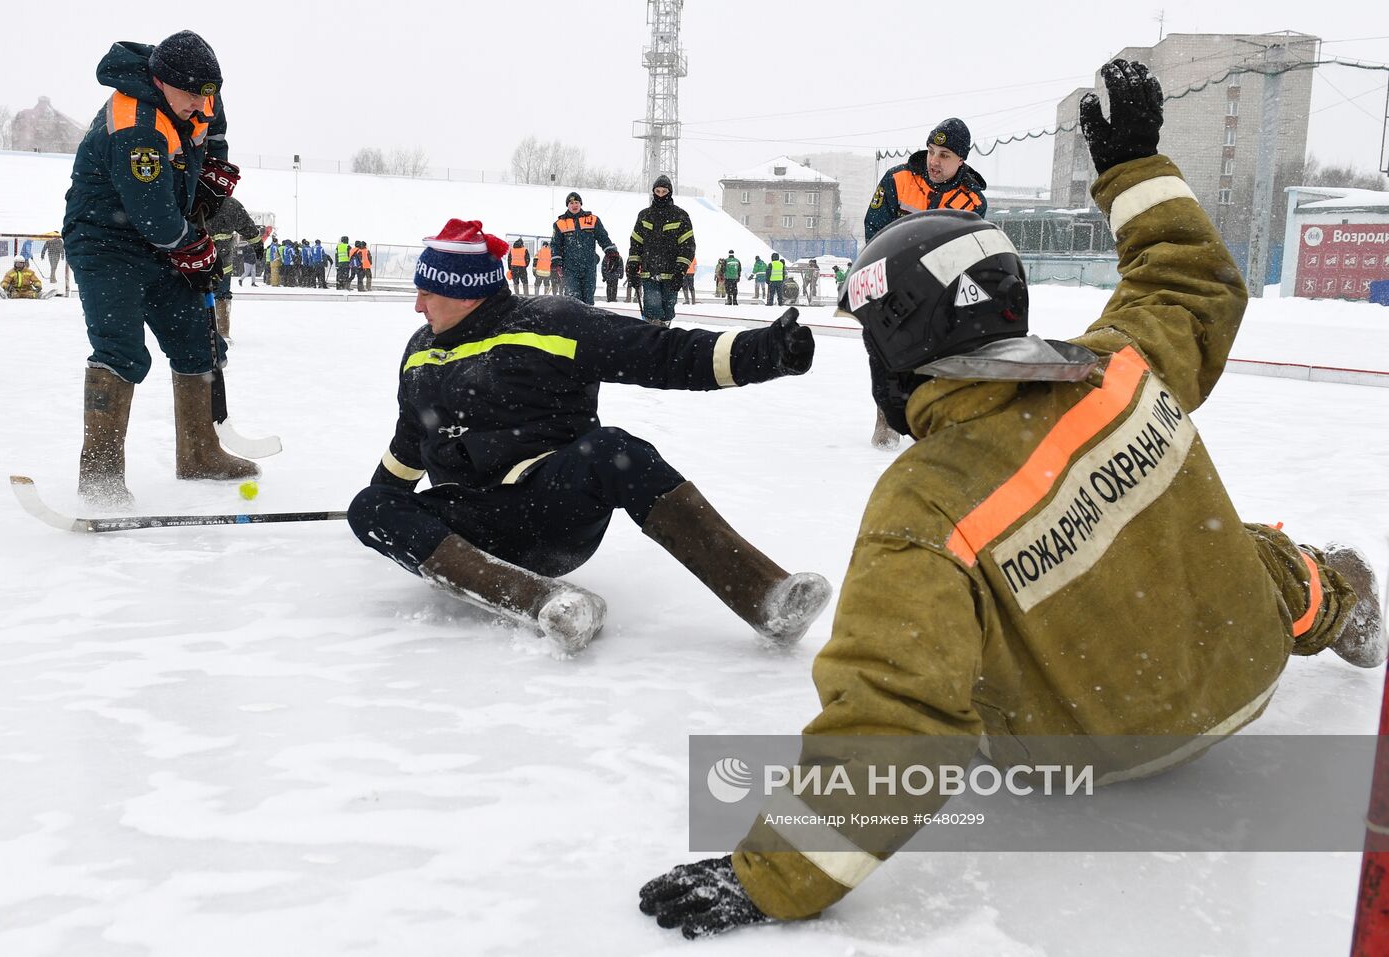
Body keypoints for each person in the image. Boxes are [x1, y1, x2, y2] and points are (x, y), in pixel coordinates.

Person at [638, 58, 1389, 941]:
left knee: (970, 630)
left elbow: (900, 718)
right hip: (1249, 657)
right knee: (1237, 541)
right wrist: (1136, 165)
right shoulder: (1120, 360)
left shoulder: (921, 508)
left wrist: (772, 875)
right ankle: (1337, 597)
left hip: (1091, 745)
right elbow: (1188, 282)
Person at [347, 219, 831, 654]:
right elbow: (410, 441)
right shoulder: (421, 352)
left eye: (426, 293)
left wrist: (764, 353)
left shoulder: (550, 322)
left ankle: (767, 599)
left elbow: (659, 352)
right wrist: (389, 507)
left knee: (615, 450)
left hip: (552, 507)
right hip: (471, 526)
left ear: (465, 291)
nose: (417, 306)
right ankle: (545, 603)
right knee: (369, 506)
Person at [63, 30, 257, 507]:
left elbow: (216, 133)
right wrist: (196, 250)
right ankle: (101, 474)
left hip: (158, 241)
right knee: (121, 349)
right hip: (107, 243)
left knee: (198, 342)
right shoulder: (137, 127)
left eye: (208, 94)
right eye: (193, 96)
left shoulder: (199, 94)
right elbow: (154, 217)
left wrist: (214, 172)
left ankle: (199, 452)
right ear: (161, 81)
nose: (201, 105)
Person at [862, 117, 989, 452]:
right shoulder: (898, 180)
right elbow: (876, 233)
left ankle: (931, 431)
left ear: (961, 159)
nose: (935, 160)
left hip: (938, 295)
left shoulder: (971, 201)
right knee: (887, 360)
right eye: (932, 150)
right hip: (894, 289)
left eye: (945, 154)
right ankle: (886, 428)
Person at [627, 174, 694, 326]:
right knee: (652, 310)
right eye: (657, 191)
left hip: (672, 275)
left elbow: (688, 247)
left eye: (664, 191)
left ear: (669, 192)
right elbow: (636, 243)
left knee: (668, 310)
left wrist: (680, 271)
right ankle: (653, 339)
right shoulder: (644, 215)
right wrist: (632, 266)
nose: (660, 195)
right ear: (653, 192)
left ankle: (664, 337)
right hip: (649, 273)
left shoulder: (681, 216)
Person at [204, 194, 263, 339]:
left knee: (194, 295)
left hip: (196, 263)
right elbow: (246, 224)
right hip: (223, 264)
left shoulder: (191, 196)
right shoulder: (230, 203)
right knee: (222, 296)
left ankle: (199, 332)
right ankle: (223, 333)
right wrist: (257, 243)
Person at [550, 192, 617, 306]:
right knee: (573, 300)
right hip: (569, 269)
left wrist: (611, 253)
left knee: (588, 300)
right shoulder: (560, 223)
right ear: (567, 205)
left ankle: (587, 323)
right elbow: (556, 245)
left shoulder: (592, 220)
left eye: (576, 202)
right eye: (571, 203)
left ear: (581, 204)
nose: (574, 205)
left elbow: (603, 238)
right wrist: (556, 262)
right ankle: (574, 322)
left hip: (589, 267)